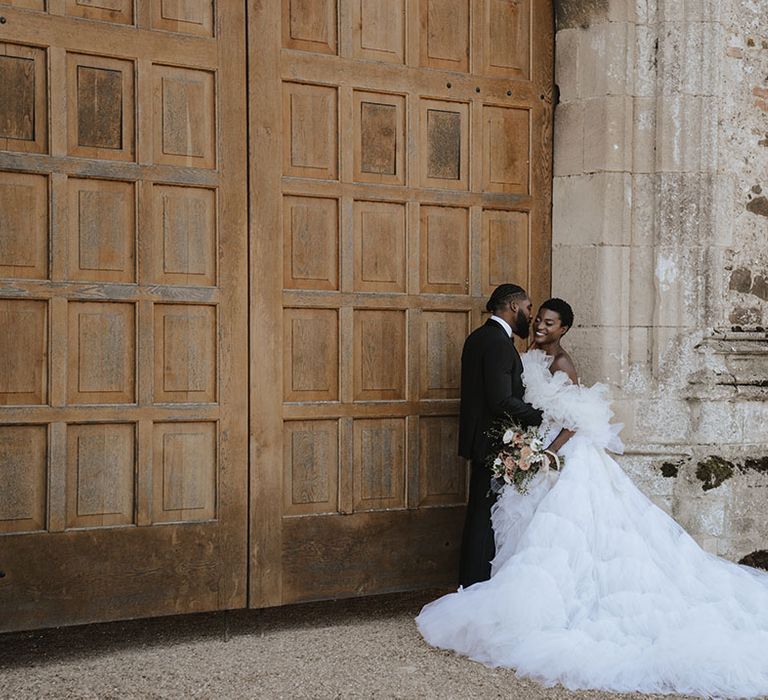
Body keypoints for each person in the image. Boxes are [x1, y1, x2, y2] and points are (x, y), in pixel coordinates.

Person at [417, 298, 768, 698]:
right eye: (539, 321)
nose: (540, 327)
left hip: (561, 453)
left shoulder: (563, 363)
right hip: (535, 448)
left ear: (564, 329)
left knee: (568, 530)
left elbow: (575, 416)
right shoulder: (527, 354)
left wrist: (549, 451)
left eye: (549, 323)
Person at [457, 284, 543, 588]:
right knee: (484, 516)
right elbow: (500, 400)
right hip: (491, 443)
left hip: (482, 439)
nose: (531, 316)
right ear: (512, 306)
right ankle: (475, 586)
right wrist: (540, 416)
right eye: (529, 308)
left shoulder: (479, 337)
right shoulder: (496, 342)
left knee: (482, 513)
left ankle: (473, 582)